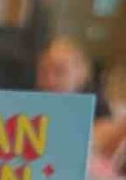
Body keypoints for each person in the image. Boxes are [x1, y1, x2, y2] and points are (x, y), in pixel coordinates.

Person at [35, 37, 126, 165]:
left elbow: (106, 143)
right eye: (43, 72)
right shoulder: (31, 104)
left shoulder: (97, 105)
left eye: (60, 72)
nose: (50, 81)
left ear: (81, 73)